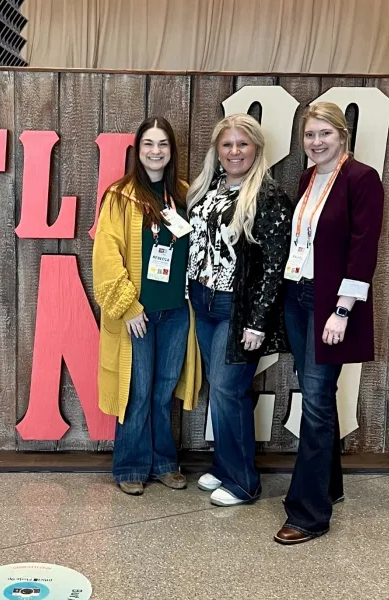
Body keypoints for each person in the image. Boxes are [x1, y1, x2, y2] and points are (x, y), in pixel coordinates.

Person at [275, 102, 384, 544]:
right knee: (318, 394)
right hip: (300, 295)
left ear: (342, 135)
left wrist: (342, 310)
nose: (316, 142)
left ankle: (308, 514)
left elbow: (364, 249)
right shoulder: (307, 178)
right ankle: (330, 486)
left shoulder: (361, 179)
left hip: (331, 304)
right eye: (309, 135)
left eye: (324, 134)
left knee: (316, 401)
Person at [186, 114, 292, 507]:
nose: (234, 152)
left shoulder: (268, 196)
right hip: (203, 299)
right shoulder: (208, 189)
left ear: (256, 149)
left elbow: (274, 266)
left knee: (229, 389)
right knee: (220, 388)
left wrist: (258, 322)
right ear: (218, 149)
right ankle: (226, 466)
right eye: (227, 144)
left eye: (242, 144)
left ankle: (245, 482)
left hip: (237, 306)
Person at [92, 116, 201, 496]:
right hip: (137, 314)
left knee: (163, 390)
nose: (156, 152)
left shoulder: (186, 195)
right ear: (138, 152)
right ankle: (131, 464)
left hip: (175, 312)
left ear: (172, 151)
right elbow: (106, 256)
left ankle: (165, 463)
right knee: (137, 390)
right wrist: (128, 306)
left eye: (163, 145)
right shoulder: (120, 196)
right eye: (148, 144)